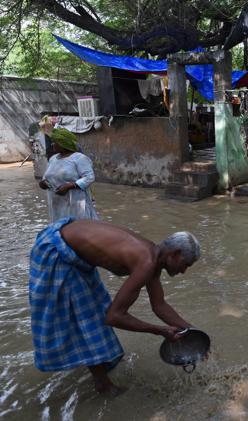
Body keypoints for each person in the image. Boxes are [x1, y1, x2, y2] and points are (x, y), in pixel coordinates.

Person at [29, 217, 201, 396]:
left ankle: (98, 368)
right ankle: (103, 385)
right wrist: (159, 330)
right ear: (175, 253)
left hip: (67, 241)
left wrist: (192, 332)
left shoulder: (153, 255)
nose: (183, 271)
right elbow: (114, 317)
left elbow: (159, 305)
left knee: (94, 308)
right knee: (87, 318)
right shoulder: (147, 262)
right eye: (185, 264)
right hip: (57, 252)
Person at [38, 128, 98, 222]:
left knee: (78, 226)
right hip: (56, 203)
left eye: (55, 142)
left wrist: (69, 186)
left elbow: (89, 177)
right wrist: (43, 183)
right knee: (60, 227)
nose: (52, 144)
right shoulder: (53, 159)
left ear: (63, 143)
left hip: (75, 202)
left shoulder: (79, 158)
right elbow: (46, 178)